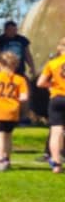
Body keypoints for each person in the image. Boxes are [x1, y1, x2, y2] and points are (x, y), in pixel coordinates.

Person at [37, 37, 65, 174]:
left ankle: (56, 164)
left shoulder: (52, 63)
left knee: (56, 131)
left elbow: (40, 83)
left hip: (57, 97)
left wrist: (52, 85)